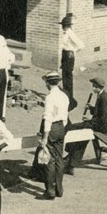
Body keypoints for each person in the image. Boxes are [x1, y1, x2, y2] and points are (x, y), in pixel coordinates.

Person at [64, 76, 107, 174]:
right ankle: (71, 161)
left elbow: (103, 118)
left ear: (99, 87)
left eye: (95, 87)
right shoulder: (103, 95)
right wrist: (91, 108)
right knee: (81, 136)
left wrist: (89, 120)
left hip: (102, 126)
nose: (93, 88)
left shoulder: (103, 98)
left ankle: (70, 158)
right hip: (101, 124)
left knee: (73, 128)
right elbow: (99, 112)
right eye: (93, 86)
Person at [36, 71, 69, 201]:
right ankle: (59, 189)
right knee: (59, 158)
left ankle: (50, 190)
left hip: (52, 128)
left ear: (48, 83)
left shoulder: (50, 97)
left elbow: (48, 117)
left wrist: (45, 137)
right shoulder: (64, 96)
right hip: (62, 127)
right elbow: (65, 116)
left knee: (49, 160)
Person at [59, 15, 84, 100]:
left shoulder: (70, 33)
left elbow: (81, 45)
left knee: (68, 77)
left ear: (67, 25)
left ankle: (70, 98)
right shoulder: (66, 33)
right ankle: (66, 95)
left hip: (69, 55)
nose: (63, 27)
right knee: (64, 76)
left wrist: (73, 51)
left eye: (64, 25)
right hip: (65, 54)